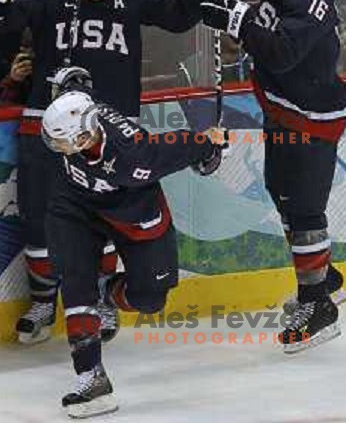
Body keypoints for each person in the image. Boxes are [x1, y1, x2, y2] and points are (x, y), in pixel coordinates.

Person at [148, 0, 346, 353]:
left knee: (303, 211)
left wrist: (234, 12)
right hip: (285, 116)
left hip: (310, 124)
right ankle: (325, 276)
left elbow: (280, 51)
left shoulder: (311, 5)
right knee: (285, 200)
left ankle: (318, 304)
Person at [0, 0, 212, 345]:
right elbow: (12, 22)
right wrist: (0, 4)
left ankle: (99, 298)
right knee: (39, 217)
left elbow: (175, 14)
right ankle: (44, 301)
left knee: (107, 218)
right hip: (49, 124)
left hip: (110, 132)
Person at [41, 75, 225, 417]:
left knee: (150, 298)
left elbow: (179, 146)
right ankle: (91, 377)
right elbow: (77, 90)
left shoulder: (134, 156)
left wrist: (208, 147)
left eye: (63, 143)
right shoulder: (80, 112)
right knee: (74, 280)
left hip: (133, 214)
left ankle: (105, 291)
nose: (59, 150)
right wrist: (68, 81)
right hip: (74, 208)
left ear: (84, 136)